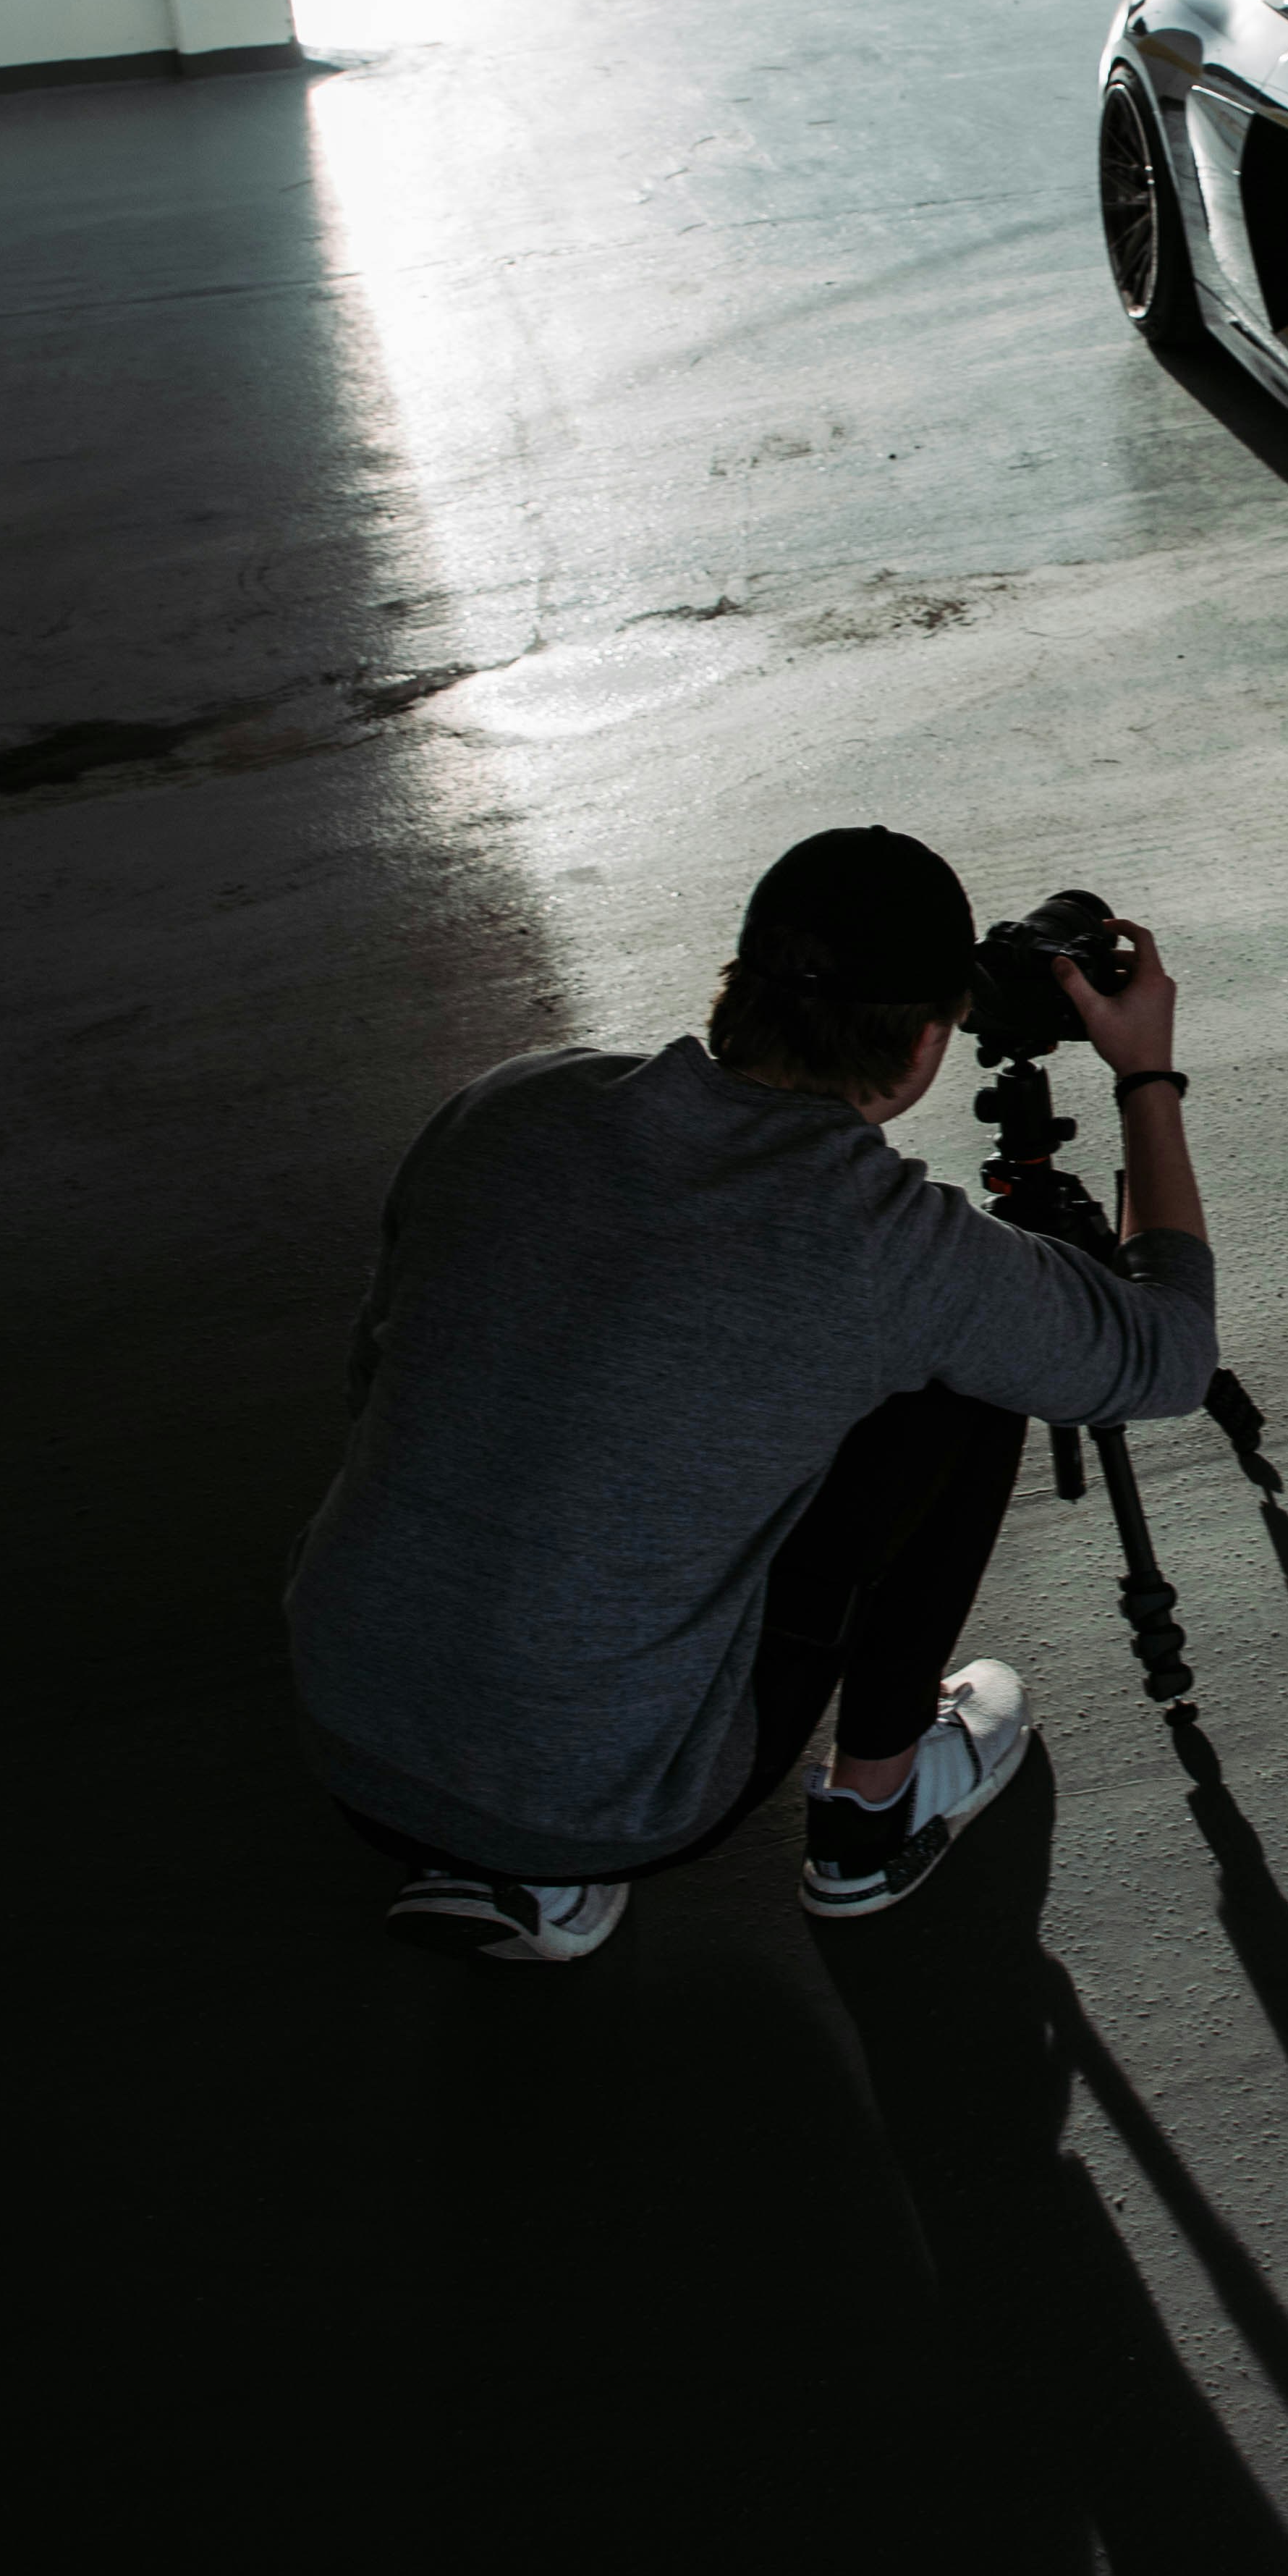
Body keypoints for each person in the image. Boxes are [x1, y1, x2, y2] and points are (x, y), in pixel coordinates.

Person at [284, 825, 1214, 1966]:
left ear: (741, 982)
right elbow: (1166, 1353)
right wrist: (1146, 1077)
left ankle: (531, 1865)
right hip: (611, 1801)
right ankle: (871, 1820)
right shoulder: (886, 1245)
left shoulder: (510, 1103)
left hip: (346, 1722)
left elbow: (379, 1375)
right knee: (963, 1384)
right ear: (930, 1044)